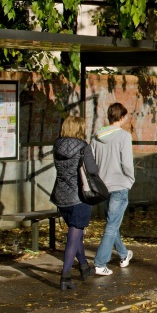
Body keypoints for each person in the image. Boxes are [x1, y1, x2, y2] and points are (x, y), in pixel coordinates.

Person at [51, 115, 99, 291]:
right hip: (79, 197)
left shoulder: (56, 145)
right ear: (80, 129)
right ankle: (65, 276)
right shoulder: (83, 147)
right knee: (74, 236)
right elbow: (92, 170)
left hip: (61, 196)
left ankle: (84, 267)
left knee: (75, 233)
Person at [91, 103, 136, 275]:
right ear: (122, 117)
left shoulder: (96, 137)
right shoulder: (124, 136)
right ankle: (100, 263)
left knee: (112, 223)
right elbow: (127, 163)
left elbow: (92, 163)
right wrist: (130, 179)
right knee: (111, 225)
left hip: (103, 186)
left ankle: (124, 254)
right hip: (119, 185)